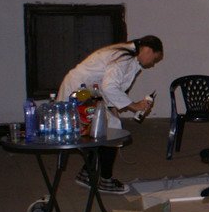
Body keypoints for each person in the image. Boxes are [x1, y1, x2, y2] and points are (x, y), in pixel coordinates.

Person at [57, 35, 164, 194]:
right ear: (148, 50)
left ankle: (87, 173)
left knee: (108, 127)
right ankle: (105, 180)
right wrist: (134, 106)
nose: (152, 64)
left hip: (86, 91)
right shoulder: (123, 58)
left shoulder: (127, 55)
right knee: (110, 131)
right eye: (154, 59)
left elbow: (105, 86)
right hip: (79, 92)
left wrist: (113, 109)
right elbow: (109, 87)